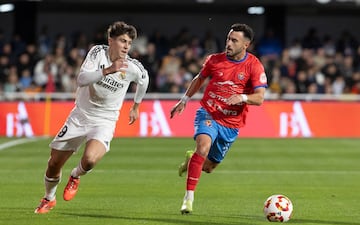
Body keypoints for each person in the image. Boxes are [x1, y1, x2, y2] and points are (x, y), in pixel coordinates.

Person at [34, 21, 149, 214]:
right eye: (122, 41)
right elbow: (81, 80)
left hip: (105, 120)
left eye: (129, 42)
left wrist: (136, 106)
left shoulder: (133, 66)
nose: (127, 46)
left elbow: (144, 81)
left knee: (90, 159)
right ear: (110, 40)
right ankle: (49, 198)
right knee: (54, 163)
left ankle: (75, 175)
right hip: (80, 116)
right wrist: (109, 70)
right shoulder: (97, 53)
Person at [170, 23, 267, 214]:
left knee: (209, 167)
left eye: (234, 40)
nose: (228, 43)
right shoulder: (214, 60)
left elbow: (260, 98)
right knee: (203, 146)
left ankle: (191, 161)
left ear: (245, 45)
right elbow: (199, 79)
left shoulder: (254, 66)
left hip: (231, 124)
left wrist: (243, 97)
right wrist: (184, 100)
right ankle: (188, 199)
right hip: (209, 112)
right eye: (228, 39)